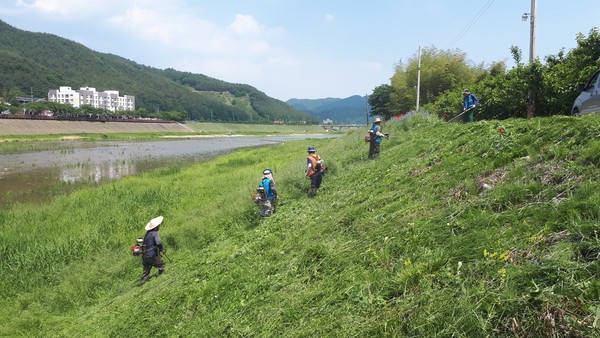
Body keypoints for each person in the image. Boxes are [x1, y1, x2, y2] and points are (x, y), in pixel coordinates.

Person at [139, 215, 165, 285]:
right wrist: (161, 248)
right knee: (161, 264)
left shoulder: (146, 234)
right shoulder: (155, 233)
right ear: (156, 227)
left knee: (146, 269)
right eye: (159, 225)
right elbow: (158, 242)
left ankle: (144, 279)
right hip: (152, 254)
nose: (159, 226)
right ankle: (161, 275)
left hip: (144, 255)